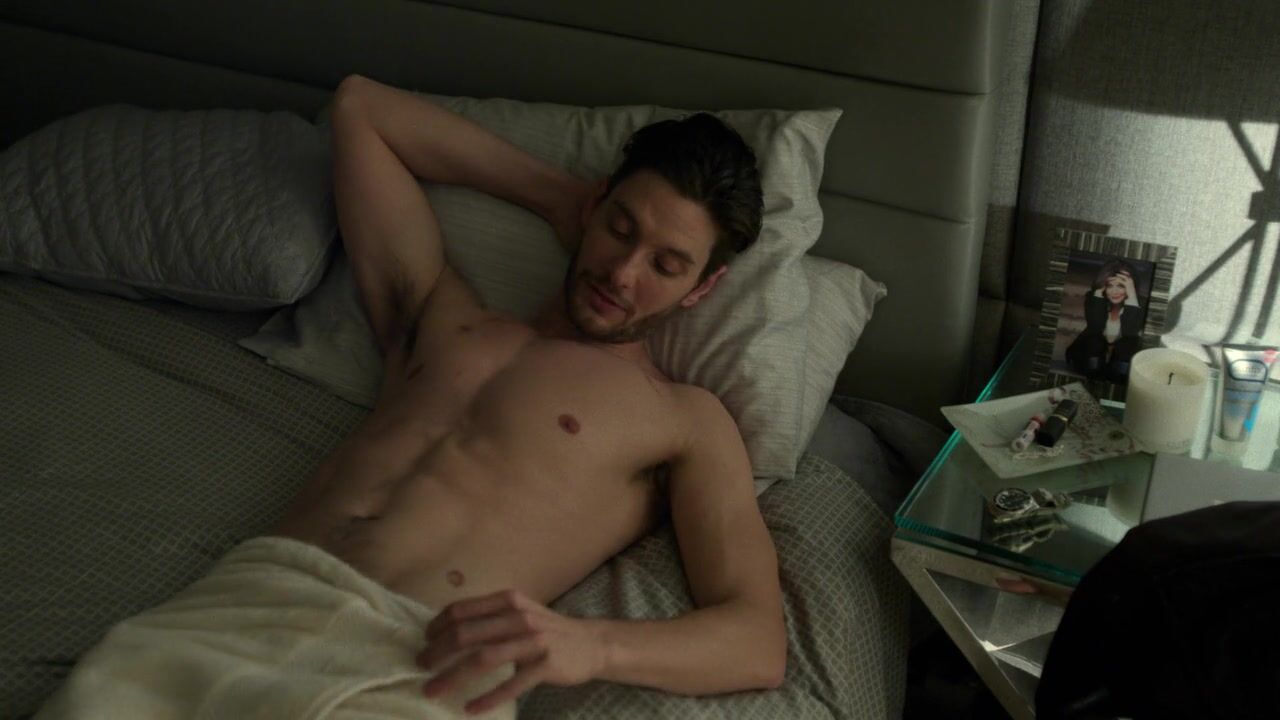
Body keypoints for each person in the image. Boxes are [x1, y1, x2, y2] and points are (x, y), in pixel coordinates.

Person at [36, 75, 784, 719]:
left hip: (420, 661)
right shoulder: (441, 315)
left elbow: (757, 640)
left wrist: (590, 646)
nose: (623, 272)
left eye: (667, 264)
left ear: (703, 288)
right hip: (243, 605)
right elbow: (362, 109)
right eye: (620, 228)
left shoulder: (683, 420)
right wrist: (555, 196)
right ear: (596, 208)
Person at [1064, 259, 1146, 383]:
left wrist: (1132, 296)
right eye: (1109, 286)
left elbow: (1130, 332)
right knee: (1095, 340)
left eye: (1121, 286)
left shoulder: (1139, 304)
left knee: (1129, 343)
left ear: (1131, 287)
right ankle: (1095, 376)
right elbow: (1095, 327)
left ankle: (1117, 378)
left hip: (1120, 360)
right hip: (1089, 354)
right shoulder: (1095, 298)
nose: (1114, 292)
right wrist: (1098, 292)